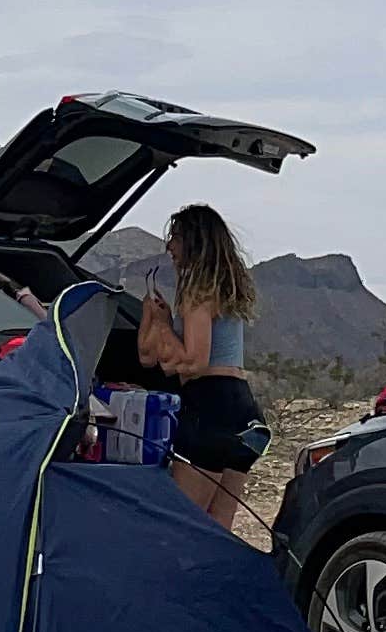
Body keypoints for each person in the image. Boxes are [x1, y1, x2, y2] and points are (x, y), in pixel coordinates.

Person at [103, 207, 271, 535]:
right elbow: (149, 356)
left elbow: (194, 361)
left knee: (183, 525)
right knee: (218, 525)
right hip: (242, 408)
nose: (169, 247)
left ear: (193, 241)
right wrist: (155, 319)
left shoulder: (198, 291)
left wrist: (165, 324)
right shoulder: (221, 288)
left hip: (209, 404)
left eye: (175, 238)